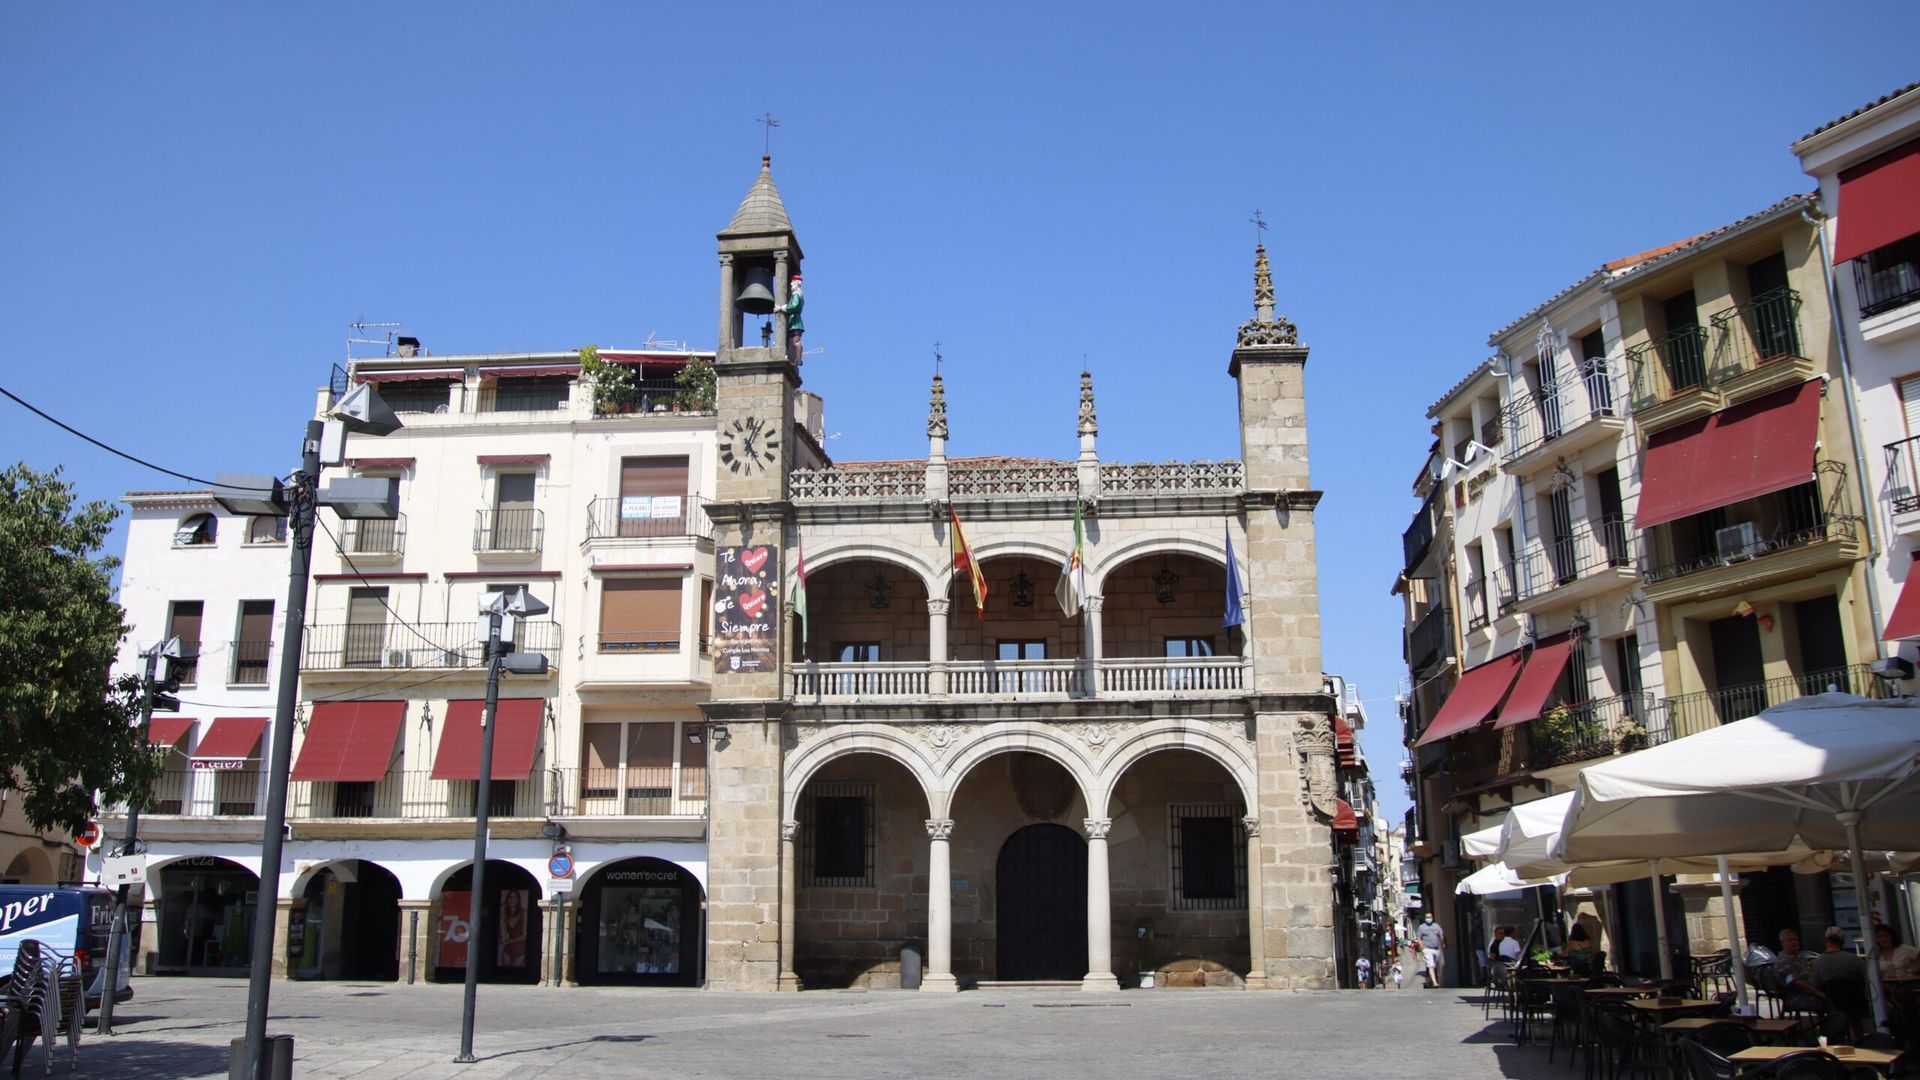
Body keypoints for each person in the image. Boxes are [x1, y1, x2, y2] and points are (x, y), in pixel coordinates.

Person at [1811, 926, 1870, 1039]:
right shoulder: (1854, 959)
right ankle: (1858, 1038)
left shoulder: (1818, 962)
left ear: (1826, 940)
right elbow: (1864, 980)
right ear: (1843, 941)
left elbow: (1818, 985)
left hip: (1832, 1003)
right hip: (1855, 1002)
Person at [1417, 913, 1446, 988]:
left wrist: (1443, 944)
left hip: (1436, 949)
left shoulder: (1436, 926)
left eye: (1429, 917)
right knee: (1431, 965)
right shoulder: (1422, 927)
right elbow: (1419, 938)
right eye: (1427, 917)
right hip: (1427, 949)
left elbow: (1441, 935)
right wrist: (1423, 948)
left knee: (1434, 966)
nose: (1428, 918)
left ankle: (1427, 981)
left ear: (1432, 918)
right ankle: (1435, 982)